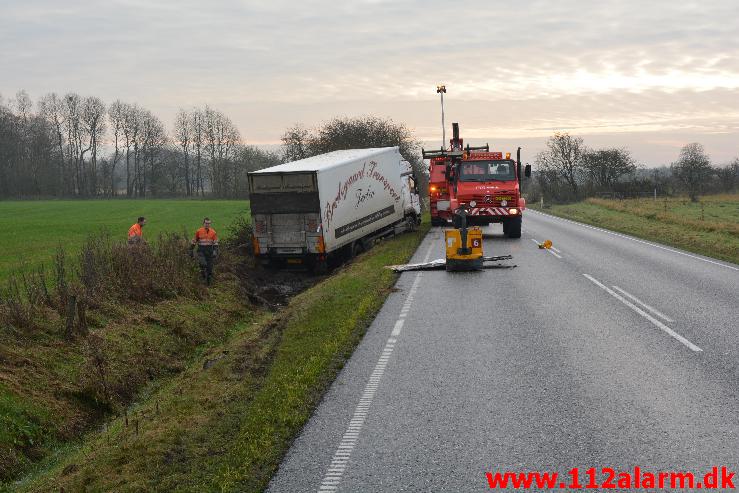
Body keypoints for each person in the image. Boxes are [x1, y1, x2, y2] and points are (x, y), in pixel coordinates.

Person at [192, 217, 219, 285]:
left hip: (209, 251)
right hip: (201, 251)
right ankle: (203, 276)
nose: (207, 225)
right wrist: (190, 249)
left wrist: (215, 251)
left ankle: (208, 283)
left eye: (209, 223)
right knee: (203, 264)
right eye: (206, 223)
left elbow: (215, 242)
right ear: (203, 223)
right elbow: (194, 241)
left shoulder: (213, 232)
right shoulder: (199, 231)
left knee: (209, 268)